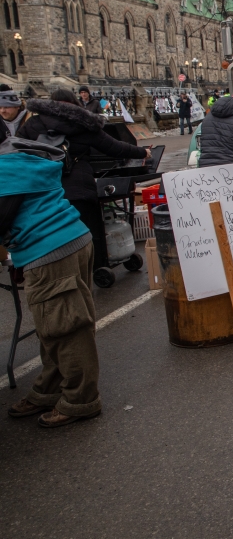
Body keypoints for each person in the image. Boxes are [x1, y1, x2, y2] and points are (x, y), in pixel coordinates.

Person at [0, 136, 102, 427]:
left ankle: (81, 400)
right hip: (70, 239)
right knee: (54, 326)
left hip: (50, 250)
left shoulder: (5, 168)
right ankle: (49, 389)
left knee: (66, 328)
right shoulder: (18, 155)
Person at [19, 89, 149, 271]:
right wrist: (143, 152)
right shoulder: (82, 124)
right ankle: (95, 266)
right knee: (87, 229)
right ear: (75, 103)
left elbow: (18, 151)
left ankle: (59, 268)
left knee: (51, 229)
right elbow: (114, 147)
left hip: (44, 187)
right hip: (77, 186)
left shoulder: (33, 123)